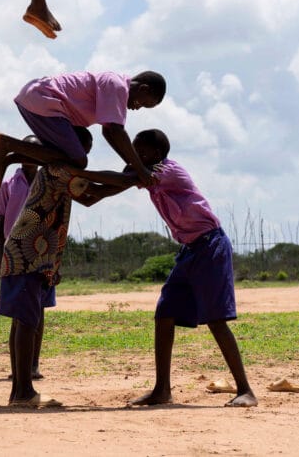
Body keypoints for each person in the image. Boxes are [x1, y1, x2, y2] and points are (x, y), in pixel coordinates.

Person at [68, 128, 258, 408]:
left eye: (137, 151)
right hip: (190, 250)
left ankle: (246, 390)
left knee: (216, 320)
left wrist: (80, 175)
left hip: (210, 246)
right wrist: (77, 188)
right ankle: (162, 389)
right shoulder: (143, 173)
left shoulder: (166, 170)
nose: (131, 156)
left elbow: (121, 179)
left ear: (155, 153)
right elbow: (108, 190)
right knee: (165, 313)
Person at [0, 127, 95, 408]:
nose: (84, 158)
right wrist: (131, 179)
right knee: (27, 322)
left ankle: (20, 391)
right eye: (82, 152)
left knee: (24, 321)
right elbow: (91, 195)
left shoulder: (60, 170)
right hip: (28, 253)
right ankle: (24, 391)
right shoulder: (57, 170)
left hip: (34, 255)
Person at [0, 70, 166, 193]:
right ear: (143, 89)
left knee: (60, 156)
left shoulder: (115, 88)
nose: (137, 108)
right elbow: (118, 132)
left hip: (34, 98)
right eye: (142, 103)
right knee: (78, 160)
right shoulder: (117, 86)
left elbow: (109, 132)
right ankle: (7, 143)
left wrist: (132, 165)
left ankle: (10, 157)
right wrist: (141, 170)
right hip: (45, 100)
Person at [0, 136, 47, 381]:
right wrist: (0, 257)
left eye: (36, 151)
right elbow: (1, 223)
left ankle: (33, 364)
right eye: (27, 150)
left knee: (39, 309)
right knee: (19, 311)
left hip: (42, 251)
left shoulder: (48, 181)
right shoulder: (8, 184)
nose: (31, 156)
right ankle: (18, 367)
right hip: (14, 252)